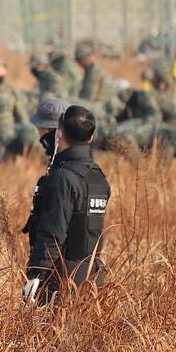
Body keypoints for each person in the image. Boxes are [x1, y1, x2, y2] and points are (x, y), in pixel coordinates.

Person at [22, 104, 109, 305]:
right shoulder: (98, 178)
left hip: (59, 283)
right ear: (91, 138)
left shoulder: (62, 178)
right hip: (93, 281)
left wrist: (36, 275)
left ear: (59, 134)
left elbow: (52, 233)